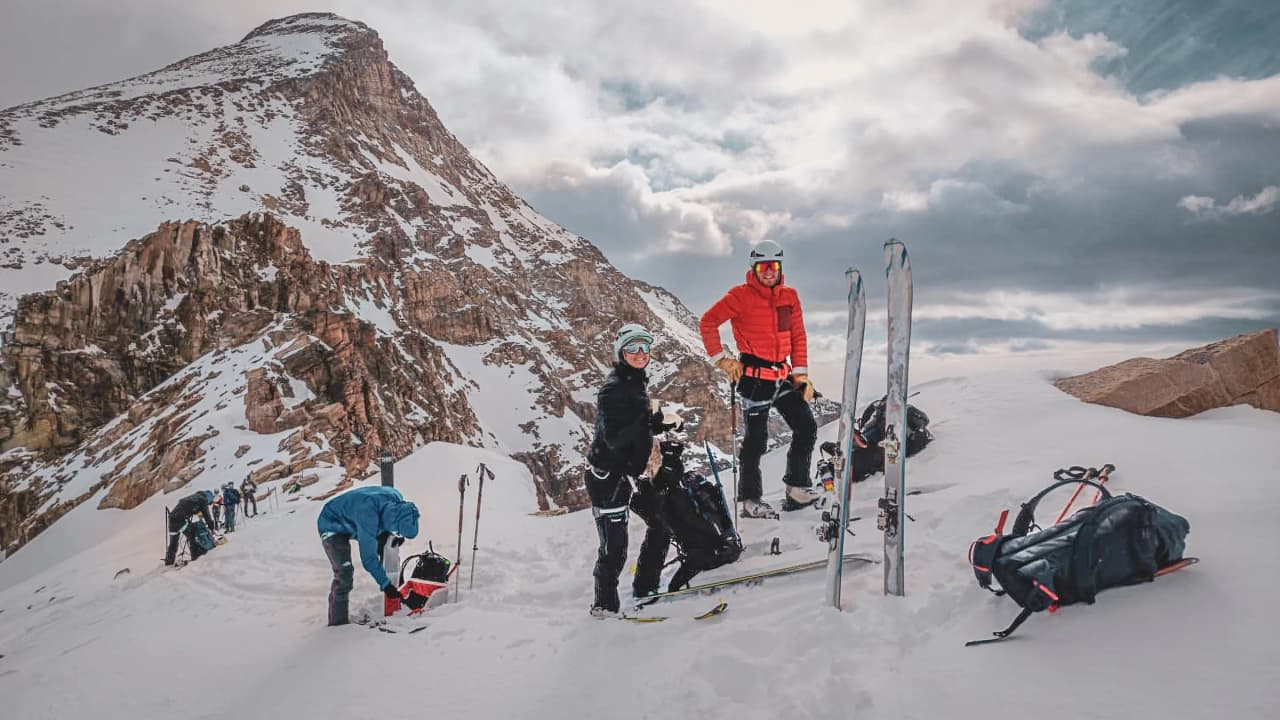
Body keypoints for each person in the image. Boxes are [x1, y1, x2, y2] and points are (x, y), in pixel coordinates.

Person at [699, 239, 820, 517]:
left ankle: (797, 488)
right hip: (755, 379)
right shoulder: (740, 296)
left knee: (806, 427)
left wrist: (801, 374)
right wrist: (721, 359)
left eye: (773, 266)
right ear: (754, 268)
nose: (769, 271)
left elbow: (798, 336)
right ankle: (750, 500)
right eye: (763, 266)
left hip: (783, 375)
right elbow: (708, 322)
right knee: (756, 441)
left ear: (780, 267)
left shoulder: (789, 296)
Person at [584, 323, 683, 616]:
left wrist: (656, 421)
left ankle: (645, 587)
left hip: (628, 473)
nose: (640, 353)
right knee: (614, 548)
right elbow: (615, 438)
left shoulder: (633, 381)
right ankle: (604, 605)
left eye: (644, 347)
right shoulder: (614, 389)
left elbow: (634, 425)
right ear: (621, 352)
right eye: (632, 348)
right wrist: (652, 423)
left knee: (661, 523)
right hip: (607, 478)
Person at [316, 486, 420, 626]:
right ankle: (337, 624)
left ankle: (395, 600)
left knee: (387, 546)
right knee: (344, 572)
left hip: (356, 516)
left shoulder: (395, 498)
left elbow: (393, 519)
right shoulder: (368, 516)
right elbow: (368, 559)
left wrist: (392, 534)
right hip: (331, 524)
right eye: (398, 532)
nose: (398, 535)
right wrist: (385, 585)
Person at [164, 489, 216, 566]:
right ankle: (196, 557)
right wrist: (212, 527)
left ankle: (169, 561)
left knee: (173, 542)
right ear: (209, 498)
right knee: (192, 535)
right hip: (180, 520)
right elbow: (207, 515)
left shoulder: (191, 498)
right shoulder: (203, 500)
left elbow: (184, 508)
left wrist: (191, 512)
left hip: (172, 520)